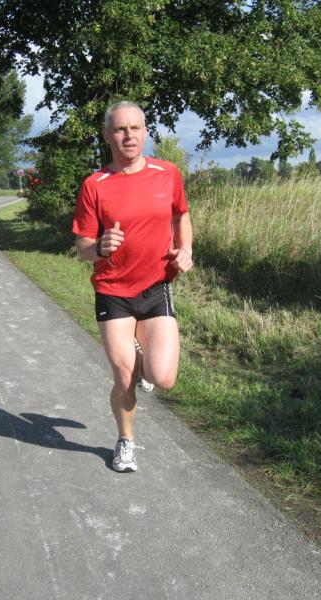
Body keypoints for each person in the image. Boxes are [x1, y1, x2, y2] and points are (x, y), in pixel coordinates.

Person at [72, 100, 194, 473]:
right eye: (120, 129)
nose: (129, 135)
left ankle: (142, 359)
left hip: (156, 286)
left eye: (135, 128)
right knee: (124, 377)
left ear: (145, 132)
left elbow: (181, 216)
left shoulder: (167, 173)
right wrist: (99, 247)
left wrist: (186, 249)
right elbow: (82, 247)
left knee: (163, 378)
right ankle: (126, 441)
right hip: (113, 291)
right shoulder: (94, 185)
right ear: (107, 135)